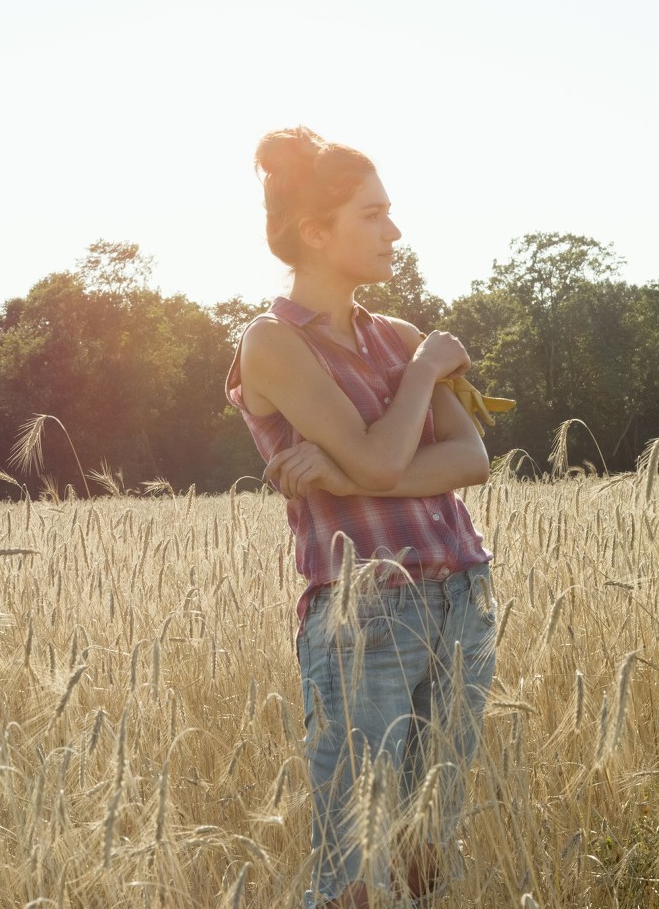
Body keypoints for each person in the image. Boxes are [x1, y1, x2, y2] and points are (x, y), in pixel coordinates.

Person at [225, 127, 498, 908]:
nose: (394, 232)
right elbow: (389, 463)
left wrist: (341, 469)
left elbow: (471, 459)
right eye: (373, 215)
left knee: (424, 853)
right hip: (364, 615)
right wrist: (420, 375)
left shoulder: (397, 334)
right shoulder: (273, 343)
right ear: (316, 230)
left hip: (461, 602)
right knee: (356, 871)